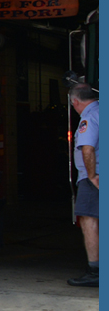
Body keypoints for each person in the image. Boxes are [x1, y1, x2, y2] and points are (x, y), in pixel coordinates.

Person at [67, 83, 99, 287]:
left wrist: (92, 176)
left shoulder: (88, 118)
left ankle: (95, 271)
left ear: (75, 102)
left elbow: (87, 149)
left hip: (94, 179)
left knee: (89, 223)